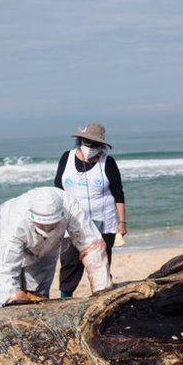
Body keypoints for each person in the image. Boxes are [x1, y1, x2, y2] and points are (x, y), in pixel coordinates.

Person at [0, 187, 111, 306]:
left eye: (52, 225)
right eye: (42, 225)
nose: (47, 229)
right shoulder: (14, 221)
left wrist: (102, 289)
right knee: (1, 294)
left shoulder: (70, 207)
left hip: (49, 246)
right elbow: (4, 269)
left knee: (38, 292)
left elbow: (92, 247)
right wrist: (11, 297)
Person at [54, 123, 126, 298]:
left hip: (103, 222)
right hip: (72, 222)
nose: (90, 147)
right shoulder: (67, 158)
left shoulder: (107, 162)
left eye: (95, 144)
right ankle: (65, 297)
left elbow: (118, 194)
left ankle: (103, 297)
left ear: (101, 145)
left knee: (101, 263)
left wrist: (122, 222)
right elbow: (57, 189)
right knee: (70, 262)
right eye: (87, 142)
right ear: (80, 140)